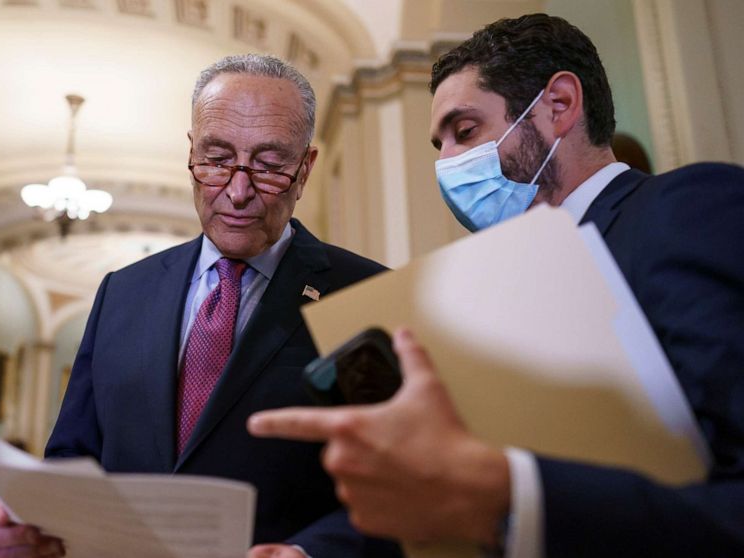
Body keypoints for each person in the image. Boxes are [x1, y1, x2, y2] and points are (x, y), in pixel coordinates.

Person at [248, 13, 744, 557]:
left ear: (558, 106)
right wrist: (309, 552)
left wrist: (512, 494)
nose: (447, 164)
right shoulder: (491, 292)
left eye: (465, 132)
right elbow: (447, 485)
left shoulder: (686, 211)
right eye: (439, 144)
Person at [0, 54, 401, 558]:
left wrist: (308, 553)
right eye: (216, 159)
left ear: (305, 170)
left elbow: (400, 486)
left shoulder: (366, 294)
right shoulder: (121, 292)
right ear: (191, 152)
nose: (237, 192)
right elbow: (72, 457)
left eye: (270, 165)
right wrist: (18, 521)